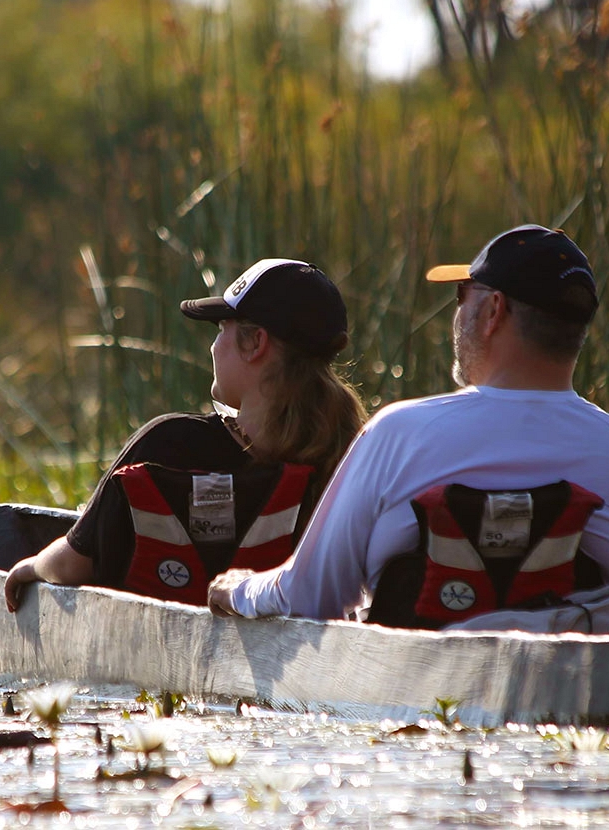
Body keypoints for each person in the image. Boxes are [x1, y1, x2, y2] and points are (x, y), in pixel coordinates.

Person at [208, 224, 609, 627]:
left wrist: (238, 588)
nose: (458, 313)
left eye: (462, 296)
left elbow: (308, 597)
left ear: (493, 312)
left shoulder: (401, 433)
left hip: (417, 685)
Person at [4, 258, 367, 612]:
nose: (214, 346)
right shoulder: (352, 456)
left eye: (221, 327)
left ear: (256, 342)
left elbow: (71, 566)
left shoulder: (168, 444)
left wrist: (32, 566)